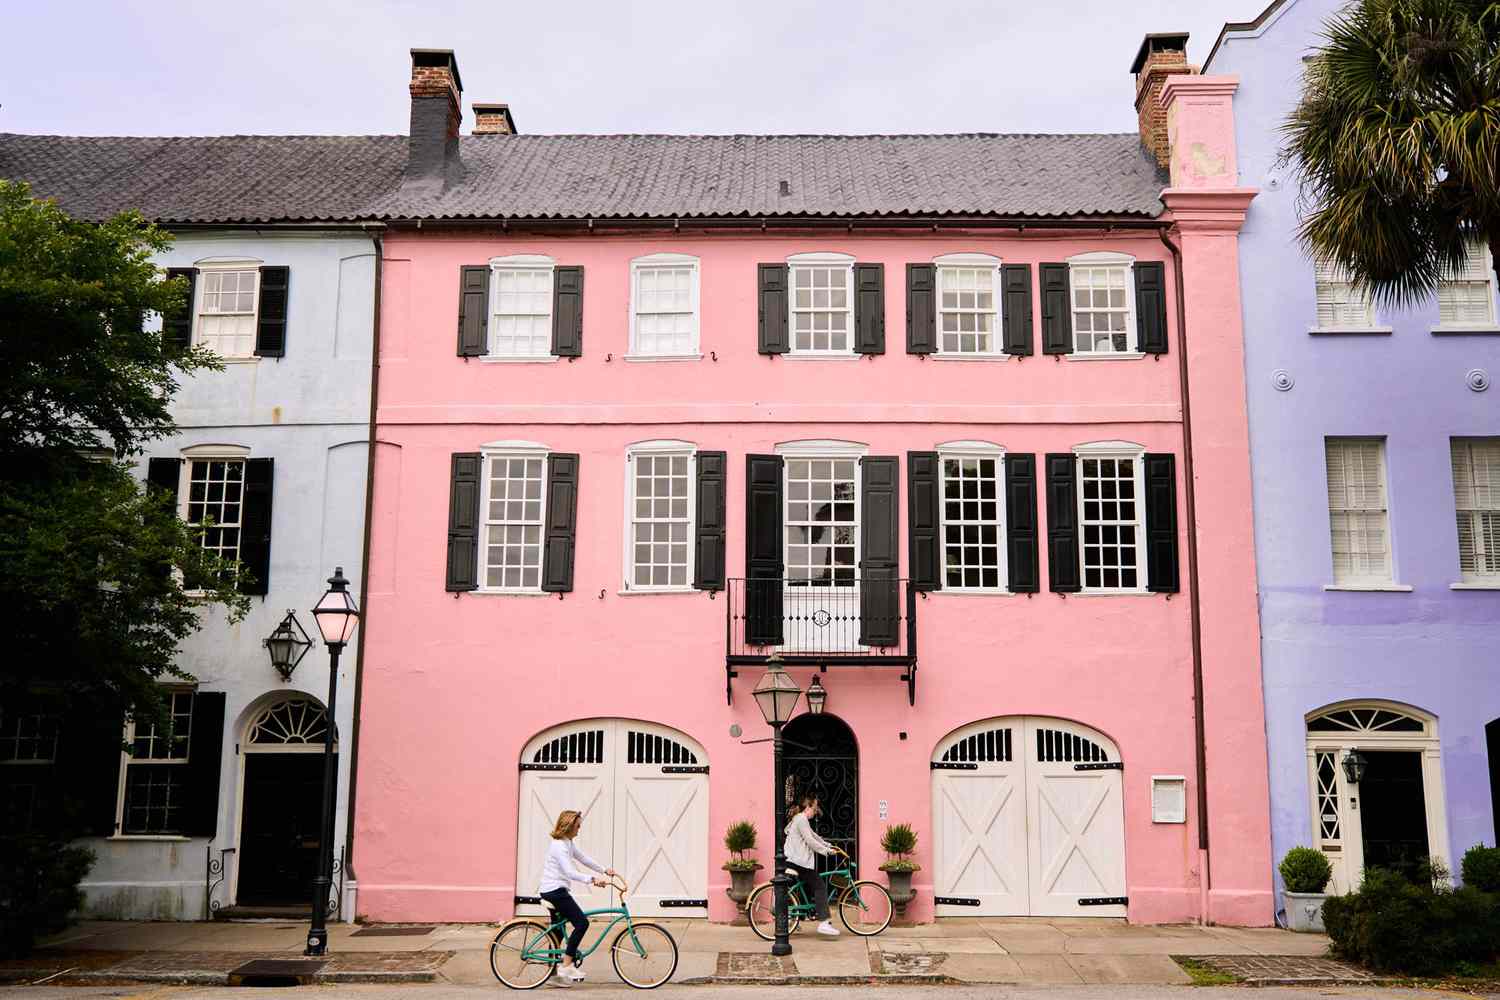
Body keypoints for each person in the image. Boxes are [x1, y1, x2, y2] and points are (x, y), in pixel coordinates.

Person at [538, 809, 615, 982]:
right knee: (581, 923)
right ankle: (566, 966)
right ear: (569, 826)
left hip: (554, 890)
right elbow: (570, 872)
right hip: (555, 891)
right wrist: (593, 879)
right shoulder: (559, 846)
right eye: (578, 826)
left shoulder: (567, 843)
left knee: (557, 932)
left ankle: (554, 975)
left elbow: (583, 858)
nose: (579, 829)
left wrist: (604, 870)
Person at [784, 794, 840, 936]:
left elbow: (814, 836)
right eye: (814, 808)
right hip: (799, 862)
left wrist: (829, 845)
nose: (815, 811)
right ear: (807, 806)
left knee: (802, 891)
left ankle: (792, 919)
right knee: (820, 886)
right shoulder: (801, 819)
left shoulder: (799, 819)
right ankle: (824, 922)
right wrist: (826, 852)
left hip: (795, 860)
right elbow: (810, 841)